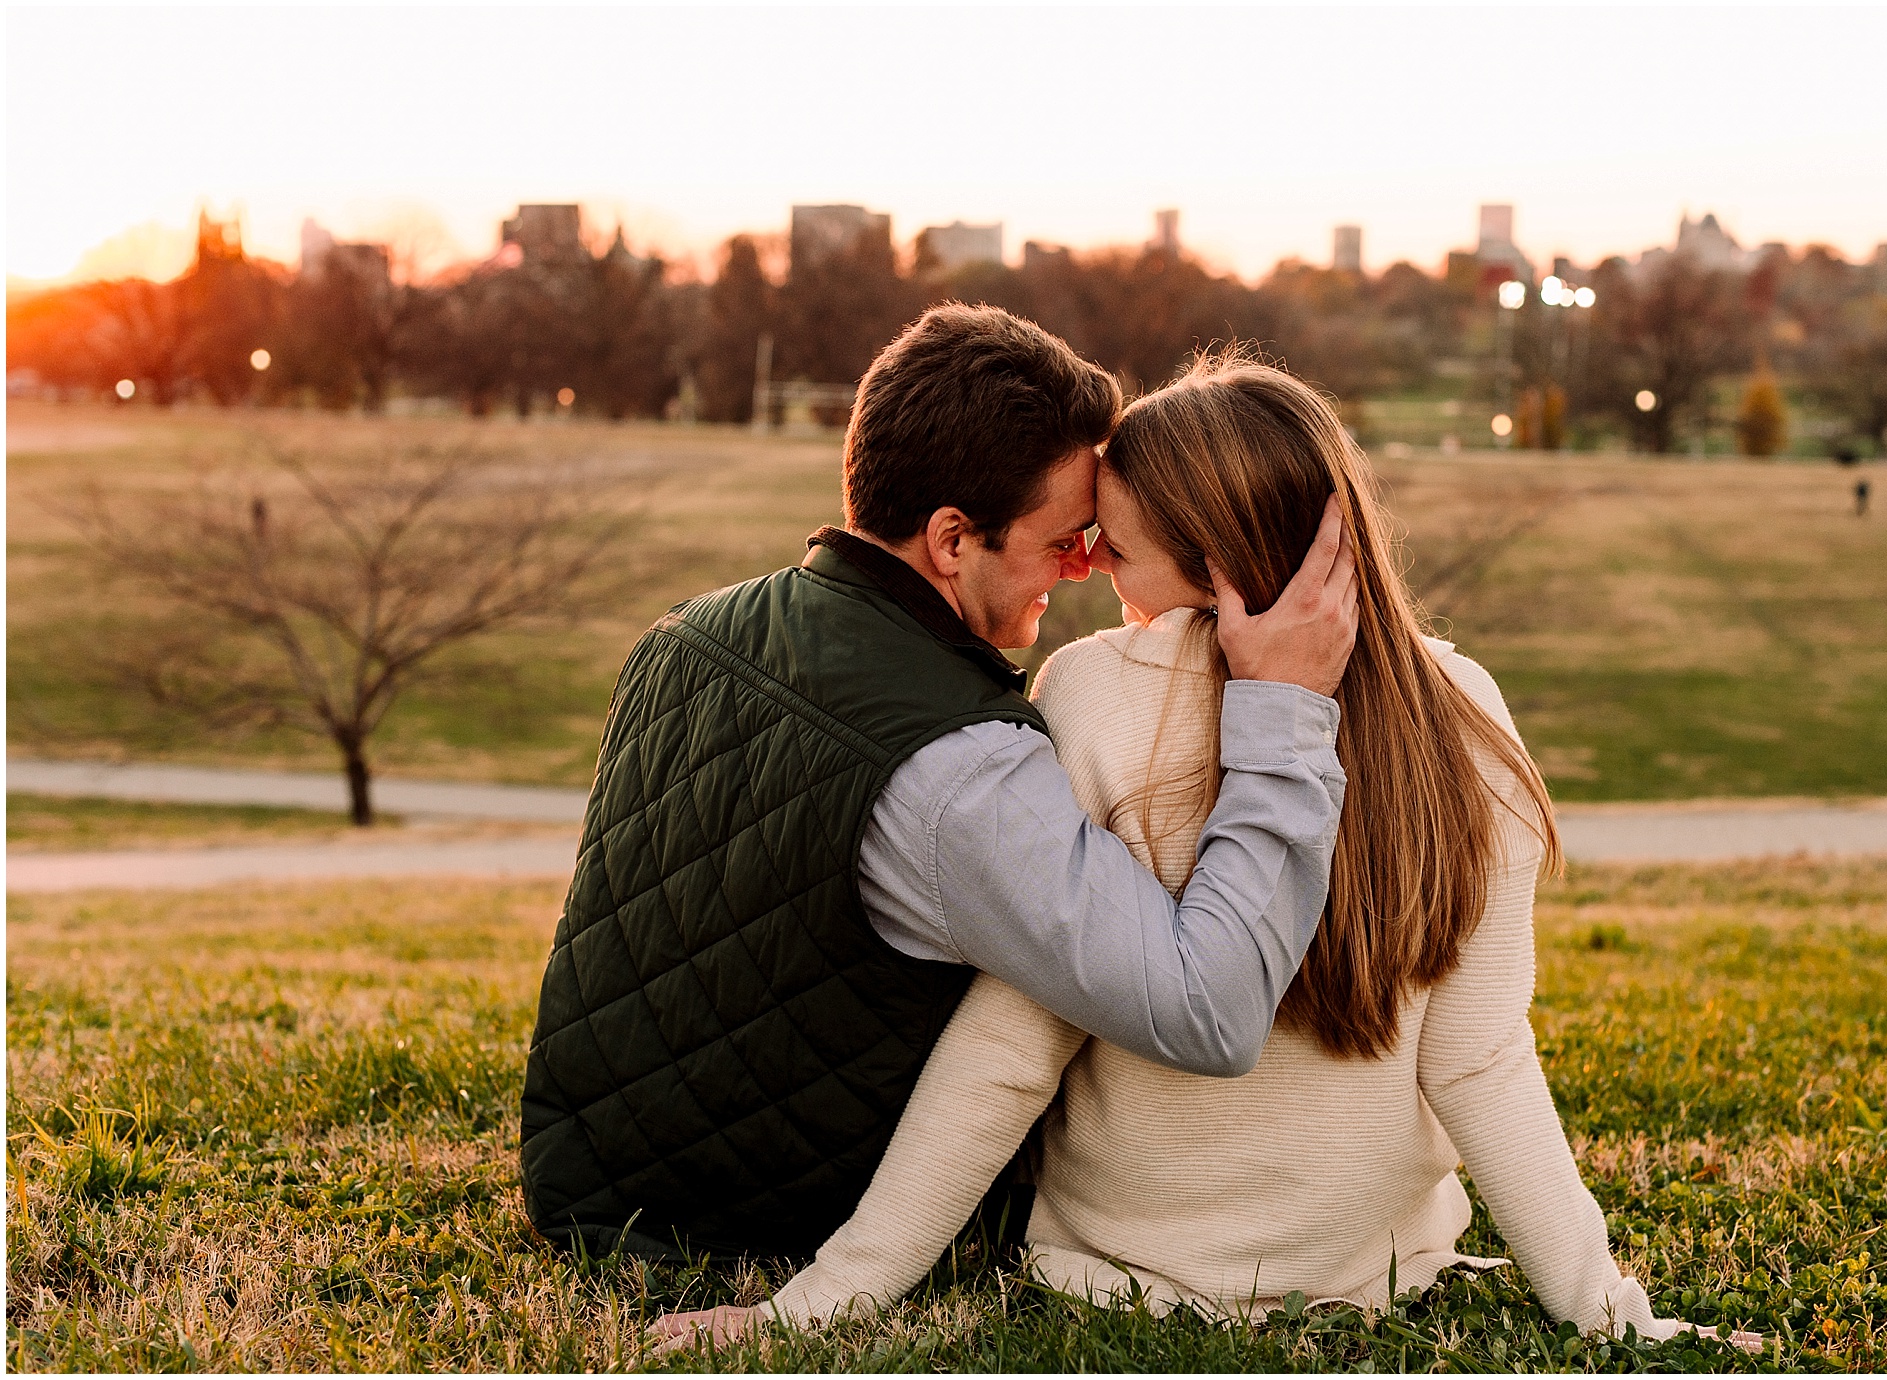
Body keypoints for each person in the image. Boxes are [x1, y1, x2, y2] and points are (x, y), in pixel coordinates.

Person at [655, 354, 1759, 1351]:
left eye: (1119, 550)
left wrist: (818, 1304)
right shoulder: (1462, 711)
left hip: (1112, 1278)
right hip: (1371, 1278)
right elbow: (1478, 1060)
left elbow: (1011, 1048)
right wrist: (1613, 1316)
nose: (1096, 577)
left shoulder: (1091, 690)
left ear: (1220, 564)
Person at [519, 308, 1360, 1262]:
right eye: (1063, 539)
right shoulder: (961, 775)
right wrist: (1284, 708)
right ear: (953, 538)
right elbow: (1212, 1008)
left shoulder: (682, 636)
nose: (1086, 567)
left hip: (585, 1177)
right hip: (767, 1225)